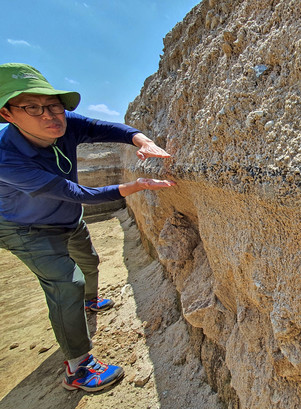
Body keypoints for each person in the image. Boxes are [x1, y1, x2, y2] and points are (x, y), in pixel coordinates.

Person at [0, 63, 176, 392]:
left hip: (66, 216)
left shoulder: (61, 124)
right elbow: (74, 192)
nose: (49, 115)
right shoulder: (5, 157)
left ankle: (88, 303)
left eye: (53, 104)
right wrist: (134, 186)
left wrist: (142, 139)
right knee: (66, 284)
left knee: (90, 263)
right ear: (7, 114)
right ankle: (78, 369)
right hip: (24, 227)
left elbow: (104, 128)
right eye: (32, 107)